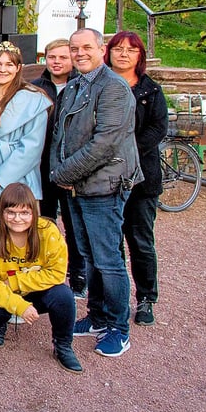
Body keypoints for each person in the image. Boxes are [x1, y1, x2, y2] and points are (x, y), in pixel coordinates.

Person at [50, 27, 142, 358]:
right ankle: (98, 316)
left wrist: (63, 174)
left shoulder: (114, 88)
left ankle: (119, 328)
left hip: (103, 186)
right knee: (89, 256)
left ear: (101, 49)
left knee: (108, 259)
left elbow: (104, 145)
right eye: (74, 48)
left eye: (86, 47)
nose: (80, 53)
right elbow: (61, 136)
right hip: (76, 185)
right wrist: (61, 174)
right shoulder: (75, 85)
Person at [0, 183, 82, 373]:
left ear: (34, 212)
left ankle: (63, 345)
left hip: (33, 291)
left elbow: (56, 274)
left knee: (64, 296)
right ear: (1, 212)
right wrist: (19, 306)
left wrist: (16, 282)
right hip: (3, 291)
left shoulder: (48, 231)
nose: (17, 219)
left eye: (24, 213)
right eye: (11, 212)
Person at [105, 31, 167, 326]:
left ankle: (145, 298)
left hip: (141, 178)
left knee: (140, 240)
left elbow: (158, 129)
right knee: (111, 241)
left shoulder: (150, 91)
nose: (124, 54)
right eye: (118, 49)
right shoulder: (102, 85)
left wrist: (125, 150)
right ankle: (113, 297)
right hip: (106, 178)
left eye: (131, 50)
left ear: (139, 55)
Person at [0, 42, 52, 240]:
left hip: (15, 179)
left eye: (9, 64)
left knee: (15, 238)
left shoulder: (33, 99)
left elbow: (31, 149)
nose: (2, 69)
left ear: (18, 68)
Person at [31, 38, 83, 296]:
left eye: (63, 57)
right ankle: (43, 270)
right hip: (41, 165)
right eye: (53, 57)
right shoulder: (36, 87)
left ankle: (78, 274)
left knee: (75, 225)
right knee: (43, 220)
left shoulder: (81, 86)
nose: (57, 62)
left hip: (72, 166)